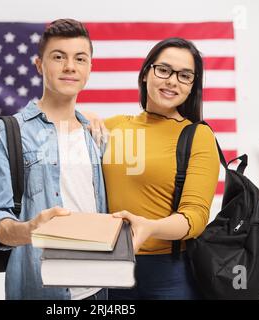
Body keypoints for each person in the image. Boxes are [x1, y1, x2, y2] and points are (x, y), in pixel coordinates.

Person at [0, 19, 107, 300]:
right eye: (58, 57)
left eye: (80, 58)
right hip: (41, 287)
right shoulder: (7, 133)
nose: (70, 66)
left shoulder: (95, 134)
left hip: (99, 289)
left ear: (90, 68)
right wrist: (29, 230)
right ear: (39, 65)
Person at [100, 38, 220, 299]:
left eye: (184, 75)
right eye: (164, 70)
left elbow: (195, 217)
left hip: (169, 274)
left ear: (192, 86)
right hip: (108, 266)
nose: (172, 81)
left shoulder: (198, 135)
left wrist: (149, 227)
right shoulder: (114, 127)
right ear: (146, 74)